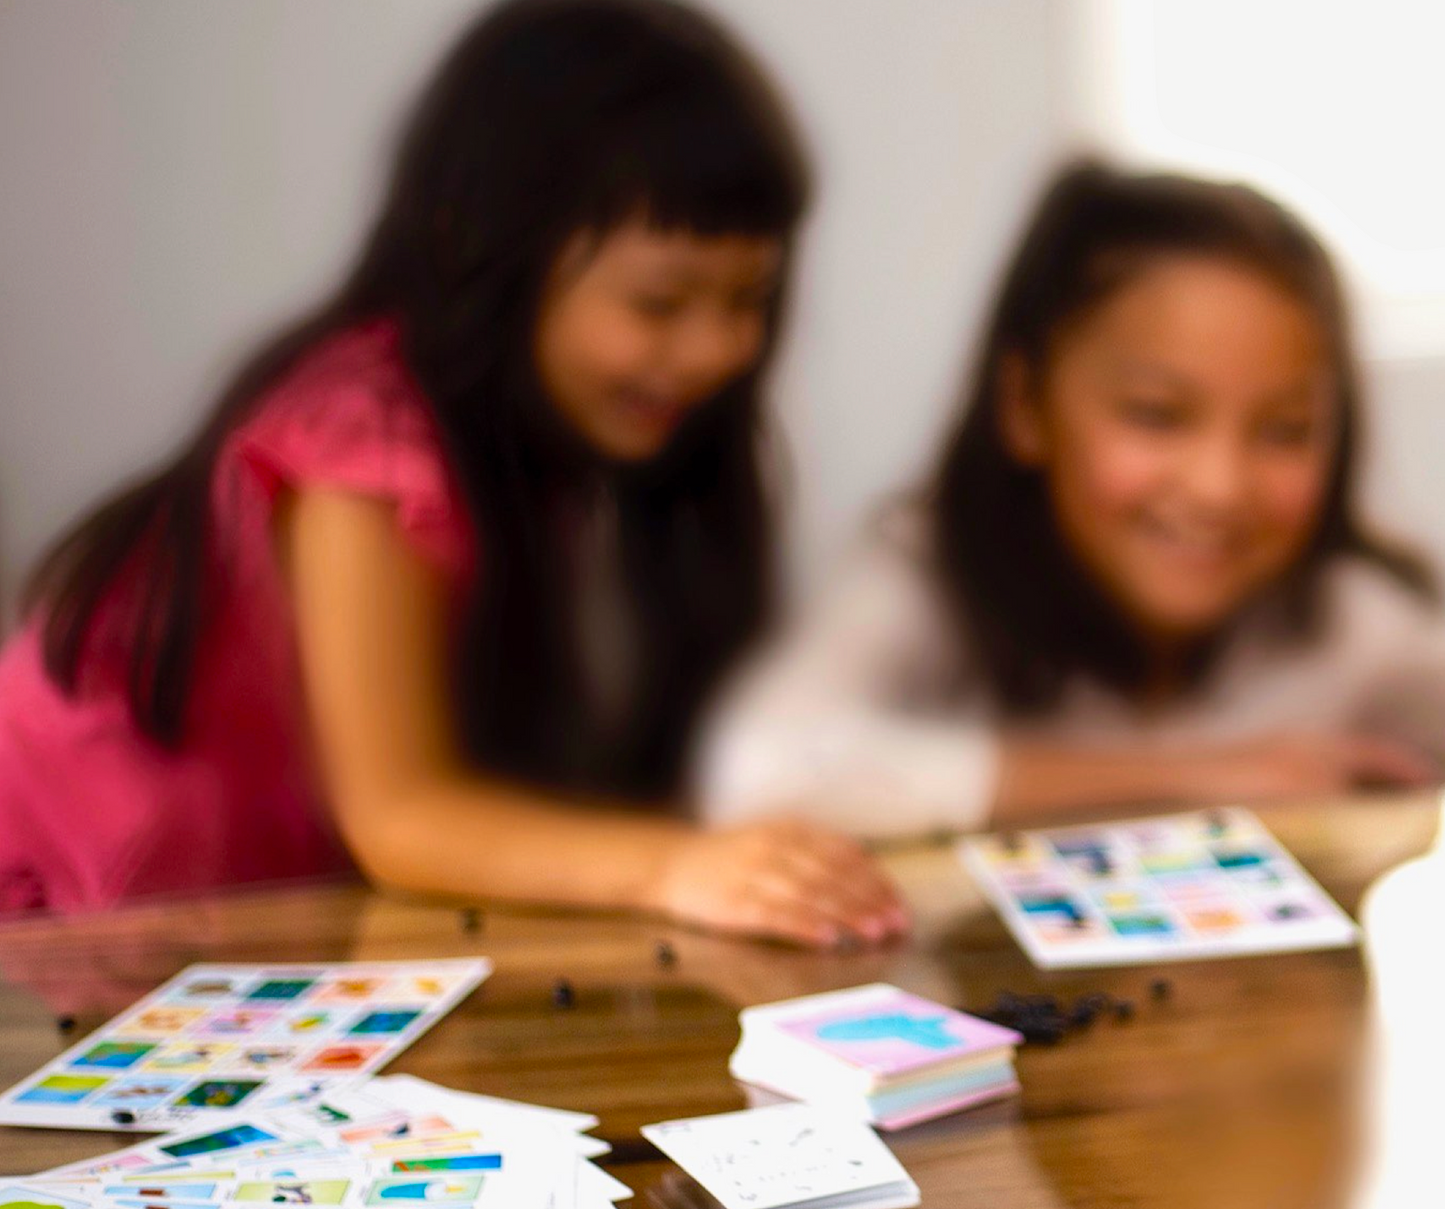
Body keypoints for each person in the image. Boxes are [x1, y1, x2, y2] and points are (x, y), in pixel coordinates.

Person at [0, 0, 905, 948]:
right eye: (661, 300)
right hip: (68, 921)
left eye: (747, 299)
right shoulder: (363, 435)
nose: (717, 347)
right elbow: (401, 816)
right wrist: (676, 865)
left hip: (235, 932)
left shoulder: (546, 452)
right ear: (494, 255)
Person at [703, 161, 1445, 837]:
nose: (1219, 486)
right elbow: (756, 768)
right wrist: (1205, 774)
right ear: (1025, 405)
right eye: (1156, 415)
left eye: (1285, 430)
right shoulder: (932, 574)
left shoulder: (1349, 622)